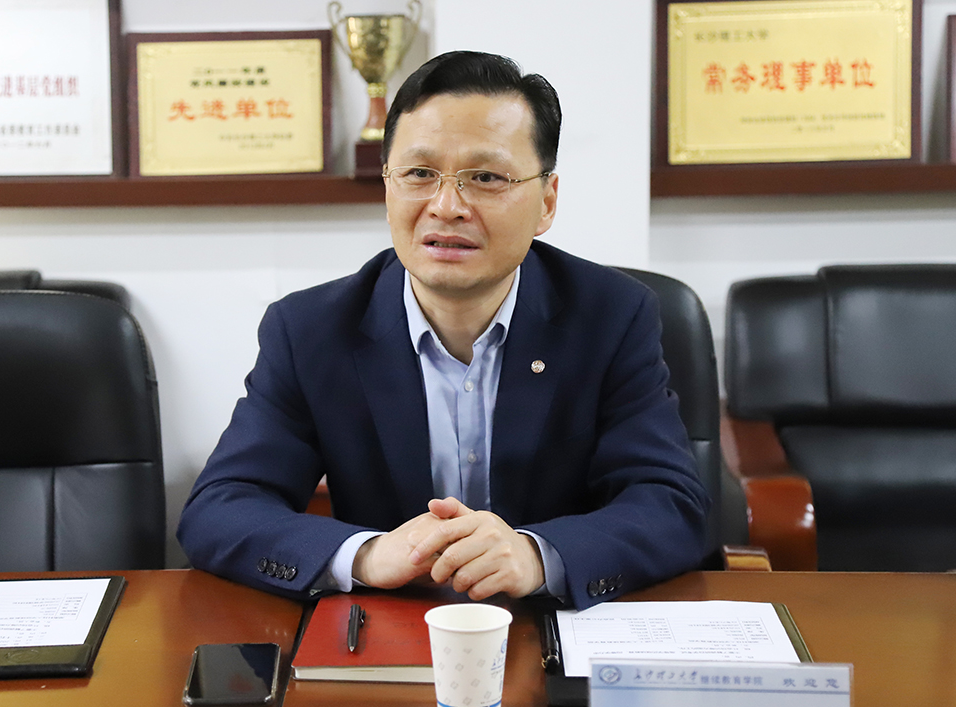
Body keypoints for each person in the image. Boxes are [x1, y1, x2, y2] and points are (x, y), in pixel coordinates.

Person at [178, 51, 709, 610]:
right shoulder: (310, 330)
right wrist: (367, 555)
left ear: (546, 202)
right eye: (419, 174)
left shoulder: (612, 316)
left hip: (549, 626)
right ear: (388, 186)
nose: (447, 206)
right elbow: (220, 509)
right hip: (392, 628)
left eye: (486, 178)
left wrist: (537, 554)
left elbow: (671, 505)